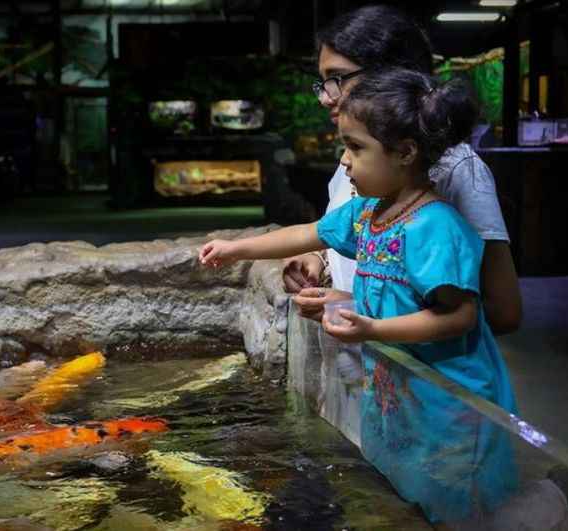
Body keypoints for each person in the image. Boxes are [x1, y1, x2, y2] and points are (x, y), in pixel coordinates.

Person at [198, 68, 518, 524]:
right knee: (408, 495)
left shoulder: (433, 228)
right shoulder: (369, 213)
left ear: (405, 152)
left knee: (455, 505)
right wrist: (236, 250)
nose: (344, 161)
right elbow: (310, 233)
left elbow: (461, 316)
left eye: (356, 147)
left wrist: (374, 328)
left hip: (449, 402)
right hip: (402, 392)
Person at [283, 5, 522, 336]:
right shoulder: (355, 163)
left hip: (422, 378)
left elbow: (502, 311)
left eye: (337, 79)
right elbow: (368, 246)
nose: (325, 97)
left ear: (392, 75)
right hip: (371, 378)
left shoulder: (455, 169)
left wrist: (362, 315)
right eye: (322, 82)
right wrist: (320, 263)